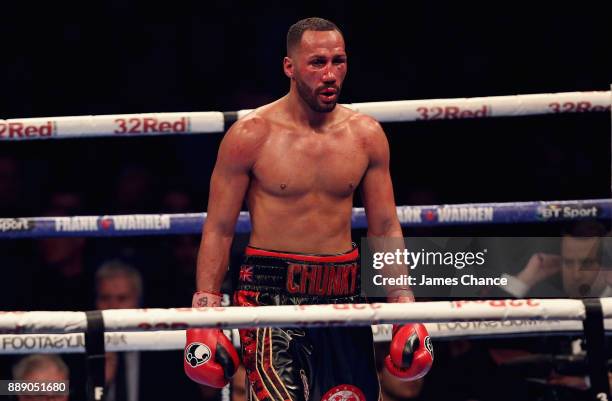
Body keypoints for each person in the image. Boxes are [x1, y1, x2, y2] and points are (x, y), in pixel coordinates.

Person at [184, 17, 433, 401]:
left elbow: (384, 225)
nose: (331, 73)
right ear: (290, 67)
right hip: (270, 293)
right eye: (317, 62)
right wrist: (205, 310)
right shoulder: (251, 136)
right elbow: (219, 228)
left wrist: (403, 304)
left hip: (343, 289)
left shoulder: (366, 135)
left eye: (339, 61)